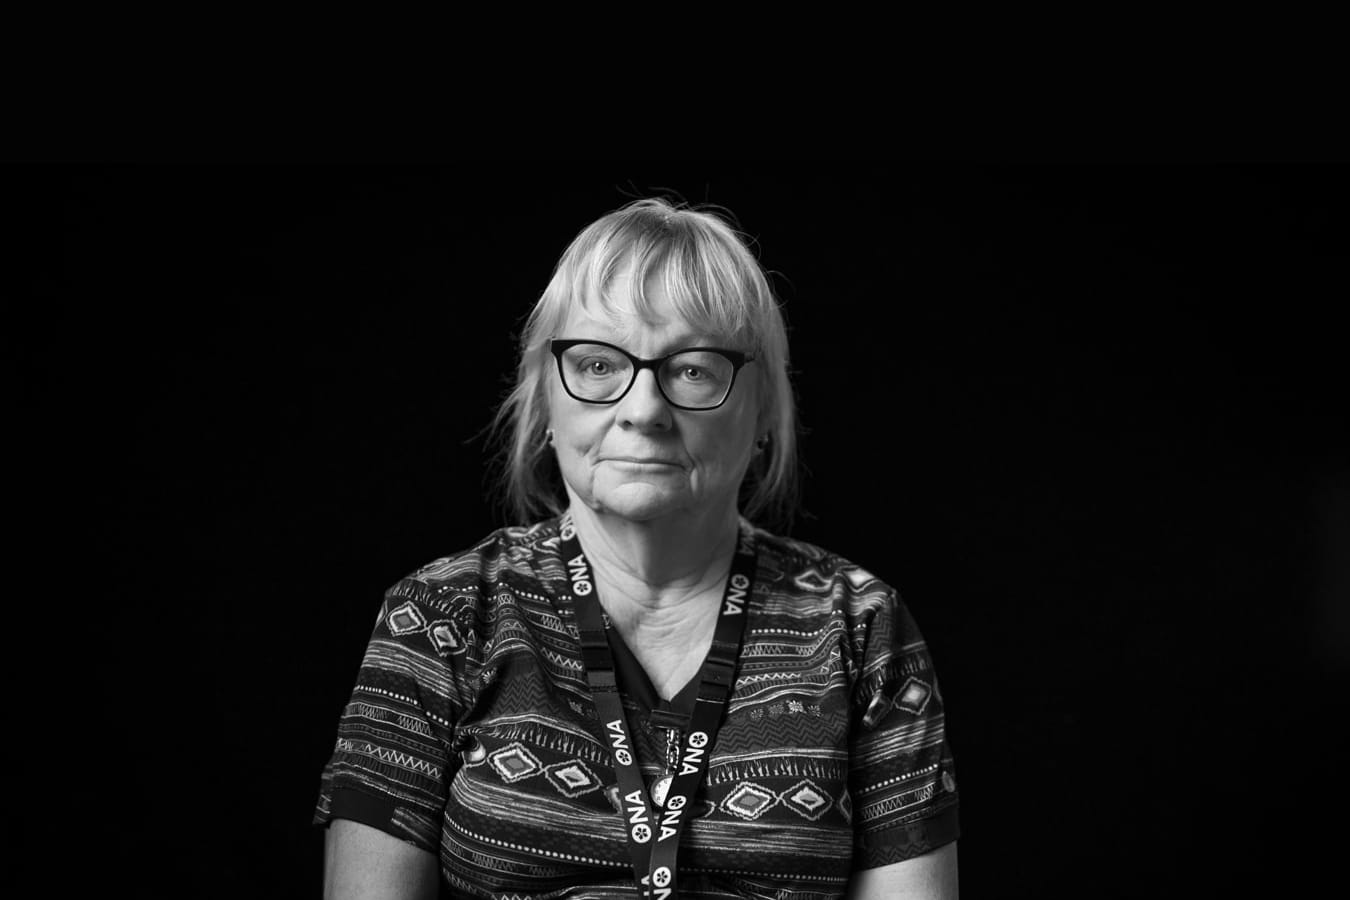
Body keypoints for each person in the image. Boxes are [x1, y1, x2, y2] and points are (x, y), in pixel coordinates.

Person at [314, 197, 960, 899]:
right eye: (596, 365)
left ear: (764, 412)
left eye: (692, 369)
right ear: (545, 406)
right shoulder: (443, 615)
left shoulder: (863, 629)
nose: (644, 409)